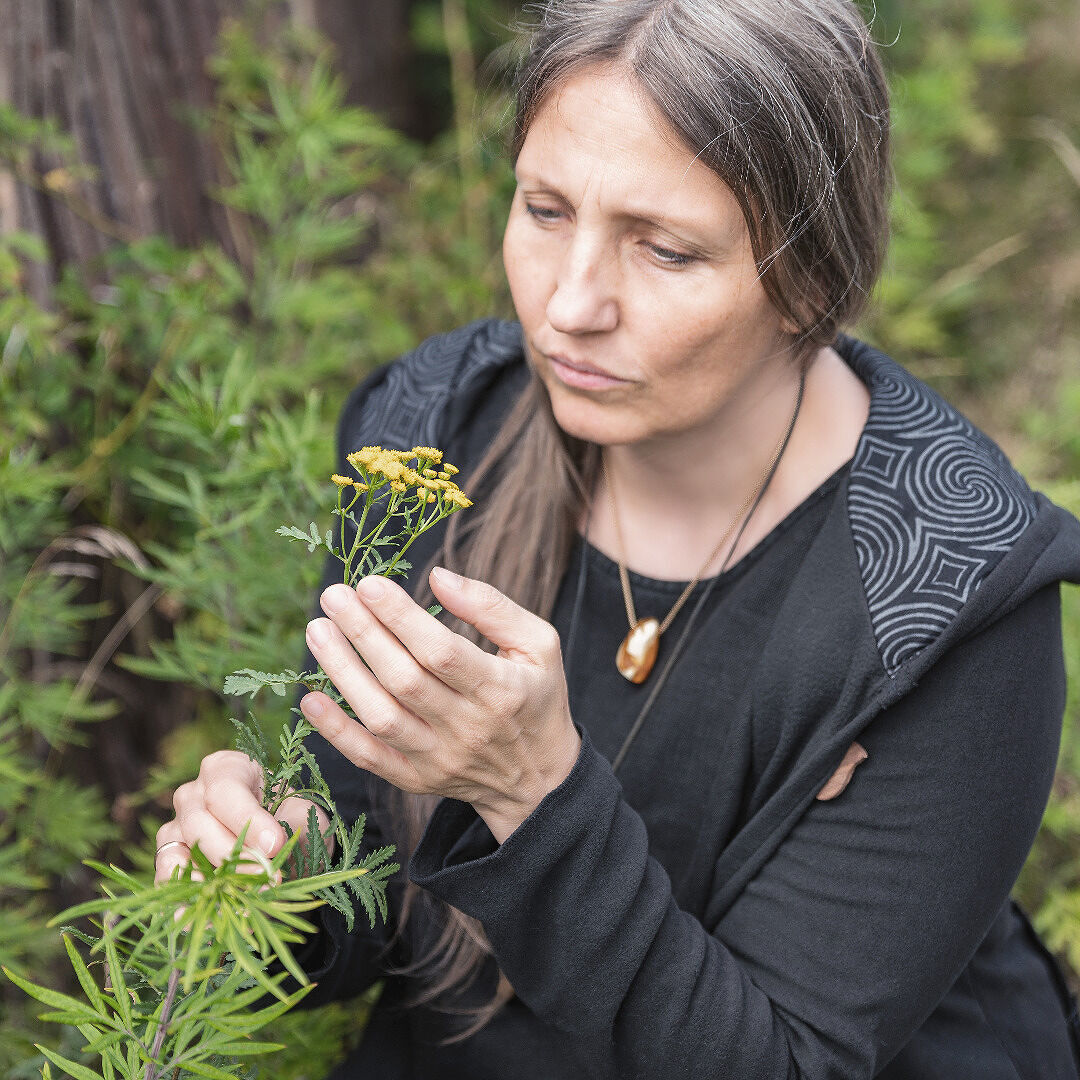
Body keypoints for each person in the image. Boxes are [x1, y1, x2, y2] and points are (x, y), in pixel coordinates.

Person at [154, 1, 1080, 1076]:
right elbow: (372, 883)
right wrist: (277, 871)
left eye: (668, 249)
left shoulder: (944, 593)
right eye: (545, 209)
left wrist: (533, 799)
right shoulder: (434, 438)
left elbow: (784, 1062)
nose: (569, 306)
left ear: (813, 276)